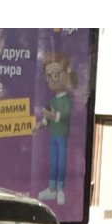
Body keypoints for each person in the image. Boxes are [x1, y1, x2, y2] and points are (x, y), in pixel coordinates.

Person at [34, 53, 77, 205]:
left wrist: (53, 116)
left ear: (65, 74)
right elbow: (49, 118)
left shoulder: (66, 100)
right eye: (49, 75)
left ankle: (60, 190)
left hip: (61, 136)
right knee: (53, 162)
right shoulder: (53, 100)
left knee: (61, 162)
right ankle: (51, 189)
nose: (51, 79)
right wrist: (41, 124)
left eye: (55, 75)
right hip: (53, 135)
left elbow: (64, 116)